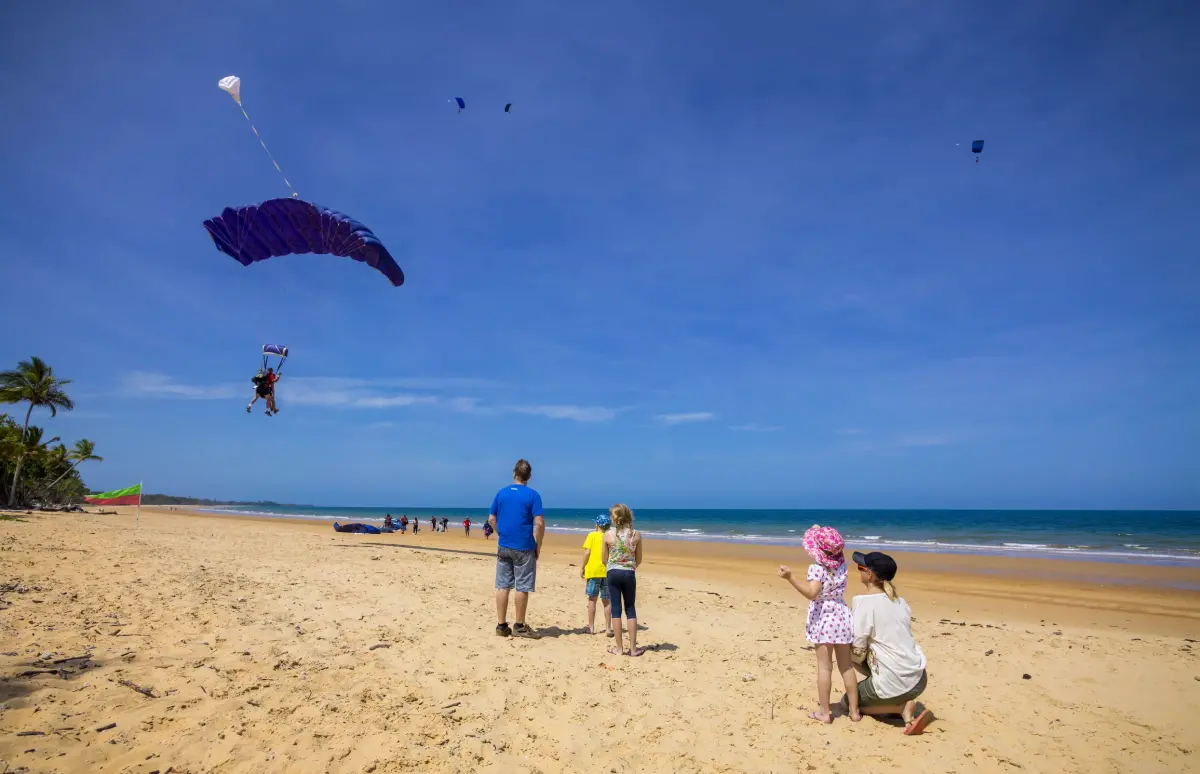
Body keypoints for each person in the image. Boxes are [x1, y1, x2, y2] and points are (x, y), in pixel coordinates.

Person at [778, 524, 859, 724]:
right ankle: (855, 712)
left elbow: (812, 593)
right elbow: (831, 547)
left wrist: (791, 578)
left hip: (824, 617)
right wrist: (817, 529)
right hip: (841, 614)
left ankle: (824, 712)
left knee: (825, 667)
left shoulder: (817, 569)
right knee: (846, 667)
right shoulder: (843, 565)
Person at [845, 551, 932, 735]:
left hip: (896, 682)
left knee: (848, 701)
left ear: (869, 574)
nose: (858, 570)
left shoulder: (863, 603)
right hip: (919, 678)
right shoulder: (900, 601)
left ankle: (900, 708)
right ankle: (896, 704)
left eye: (860, 567)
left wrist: (843, 651)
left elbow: (858, 649)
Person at [488, 459, 544, 639]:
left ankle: (501, 624)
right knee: (522, 586)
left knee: (503, 585)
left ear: (514, 474)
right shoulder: (532, 495)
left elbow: (491, 519)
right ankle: (519, 625)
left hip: (504, 544)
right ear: (529, 476)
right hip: (524, 546)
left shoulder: (501, 493)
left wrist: (500, 534)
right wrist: (538, 544)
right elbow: (540, 523)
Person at [602, 504, 643, 656]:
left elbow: (603, 559)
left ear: (614, 518)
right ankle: (633, 649)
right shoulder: (636, 535)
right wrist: (629, 566)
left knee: (616, 610)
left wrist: (613, 566)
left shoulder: (608, 535)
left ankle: (619, 649)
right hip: (629, 573)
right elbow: (639, 559)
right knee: (630, 609)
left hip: (613, 572)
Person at [582, 513, 614, 637]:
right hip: (607, 571)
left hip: (593, 571)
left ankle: (591, 627)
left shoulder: (592, 535)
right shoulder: (610, 536)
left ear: (597, 524)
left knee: (592, 599)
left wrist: (582, 567)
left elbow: (587, 552)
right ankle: (608, 628)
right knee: (607, 601)